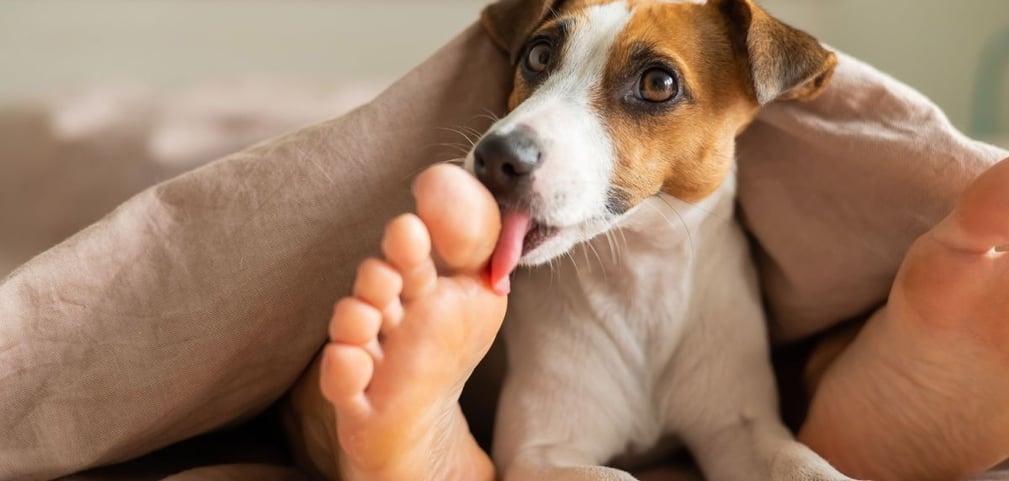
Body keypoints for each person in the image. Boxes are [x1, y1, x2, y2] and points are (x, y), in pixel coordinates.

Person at [308, 158, 1009, 481]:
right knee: (329, 376)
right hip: (554, 279)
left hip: (705, 281)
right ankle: (432, 443)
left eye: (655, 87)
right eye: (542, 60)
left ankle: (842, 395)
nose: (518, 133)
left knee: (755, 436)